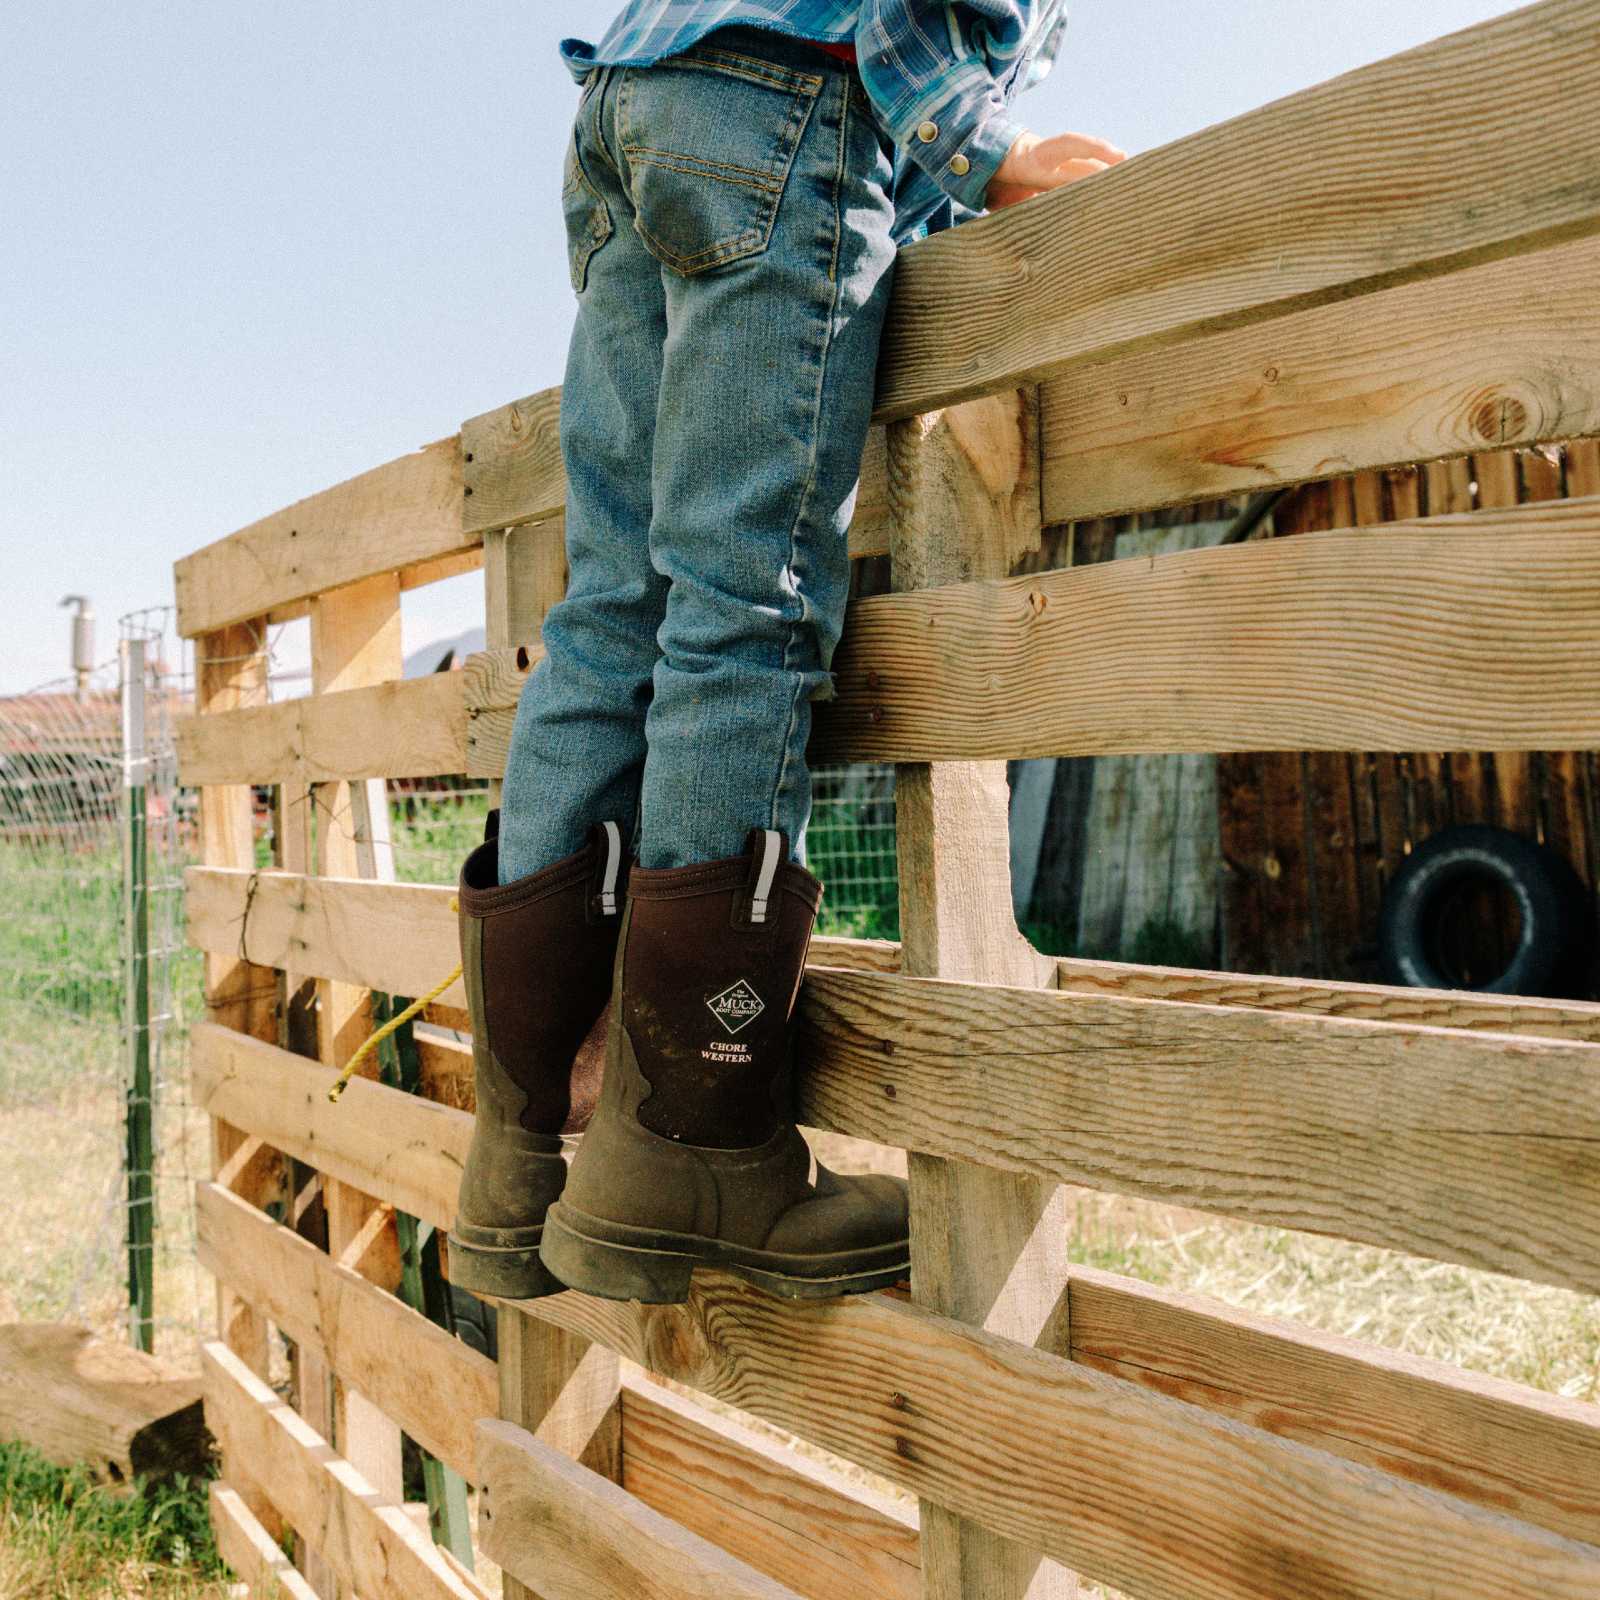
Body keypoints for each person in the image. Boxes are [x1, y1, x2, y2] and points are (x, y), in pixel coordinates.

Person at [447, 2, 1124, 1304]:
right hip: (785, 96)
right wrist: (982, 145)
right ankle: (690, 1150)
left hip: (645, 94)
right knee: (744, 606)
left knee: (612, 615)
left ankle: (526, 1161)